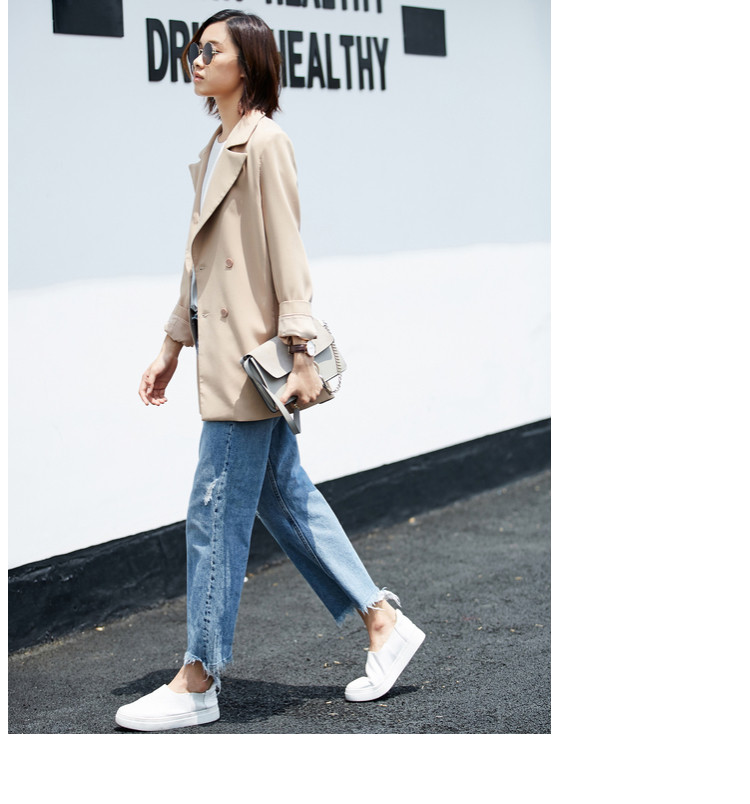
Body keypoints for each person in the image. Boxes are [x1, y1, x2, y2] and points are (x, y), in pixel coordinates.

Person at [115, 10, 424, 732]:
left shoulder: (266, 143)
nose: (195, 58)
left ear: (247, 64)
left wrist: (302, 351)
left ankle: (198, 677)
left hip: (253, 363)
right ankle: (381, 621)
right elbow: (197, 266)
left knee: (214, 506)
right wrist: (171, 345)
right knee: (284, 498)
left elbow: (289, 253)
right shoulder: (215, 148)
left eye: (210, 49)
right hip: (226, 357)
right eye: (194, 48)